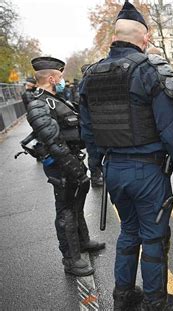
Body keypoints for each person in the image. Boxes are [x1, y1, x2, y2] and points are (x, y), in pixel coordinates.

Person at [79, 2, 173, 310]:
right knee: (155, 238)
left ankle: (123, 297)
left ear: (113, 38)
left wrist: (96, 167)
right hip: (147, 172)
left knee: (129, 234)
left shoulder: (91, 75)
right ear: (144, 37)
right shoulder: (150, 71)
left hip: (114, 171)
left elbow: (88, 130)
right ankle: (157, 302)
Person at [26, 56, 105, 277]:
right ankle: (71, 260)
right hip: (62, 166)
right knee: (66, 211)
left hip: (71, 160)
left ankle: (82, 241)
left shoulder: (56, 100)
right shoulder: (39, 104)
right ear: (51, 78)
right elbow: (54, 143)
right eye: (60, 76)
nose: (62, 80)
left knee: (76, 205)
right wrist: (75, 169)